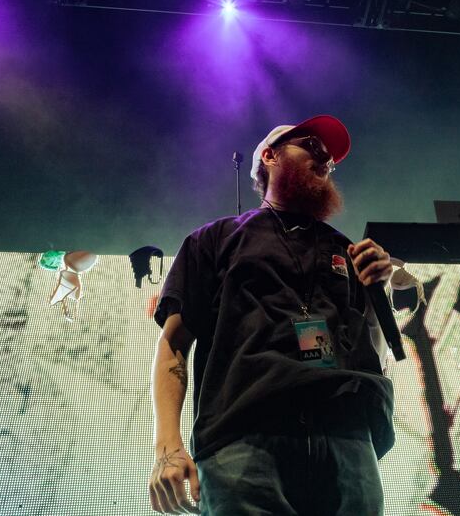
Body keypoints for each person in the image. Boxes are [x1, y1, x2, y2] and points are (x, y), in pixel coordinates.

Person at [148, 115, 396, 515]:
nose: (325, 161)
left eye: (330, 160)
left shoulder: (346, 250)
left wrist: (375, 288)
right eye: (313, 148)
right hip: (243, 435)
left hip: (347, 435)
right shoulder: (214, 239)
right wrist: (168, 448)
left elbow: (373, 354)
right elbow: (174, 344)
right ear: (270, 156)